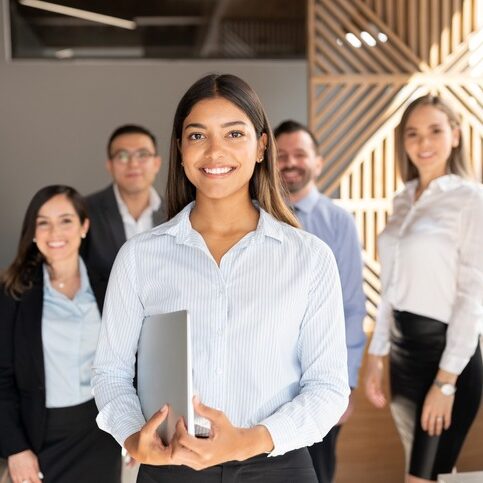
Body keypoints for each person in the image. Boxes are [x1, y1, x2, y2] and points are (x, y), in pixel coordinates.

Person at [92, 73, 350, 483]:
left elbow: (329, 387)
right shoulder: (140, 258)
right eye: (197, 136)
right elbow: (111, 374)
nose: (215, 151)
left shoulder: (309, 258)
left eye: (233, 134)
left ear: (262, 146)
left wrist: (249, 440)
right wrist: (130, 436)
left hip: (277, 468)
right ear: (179, 150)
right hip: (171, 468)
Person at [364, 95, 483, 482]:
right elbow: (391, 286)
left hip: (446, 356)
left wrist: (446, 383)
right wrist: (378, 353)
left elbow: (472, 296)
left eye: (435, 130)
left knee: (422, 477)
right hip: (402, 357)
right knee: (435, 474)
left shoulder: (471, 200)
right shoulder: (402, 200)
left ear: (455, 135)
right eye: (412, 133)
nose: (423, 142)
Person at [0, 185, 121, 483]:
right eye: (43, 222)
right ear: (33, 231)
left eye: (66, 220)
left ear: (83, 226)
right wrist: (16, 449)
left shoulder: (109, 285)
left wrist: (131, 424)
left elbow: (128, 363)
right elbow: (1, 379)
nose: (55, 232)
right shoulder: (13, 292)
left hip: (100, 431)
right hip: (39, 435)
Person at [274, 120, 366, 483]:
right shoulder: (256, 217)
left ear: (318, 162)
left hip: (320, 379)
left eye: (300, 154)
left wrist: (346, 384)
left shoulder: (338, 221)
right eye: (281, 156)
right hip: (269, 381)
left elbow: (352, 306)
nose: (291, 162)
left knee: (319, 472)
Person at [83, 124, 165, 281]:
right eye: (122, 156)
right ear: (110, 165)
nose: (133, 164)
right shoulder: (85, 211)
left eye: (142, 154)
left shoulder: (178, 212)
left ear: (156, 163)